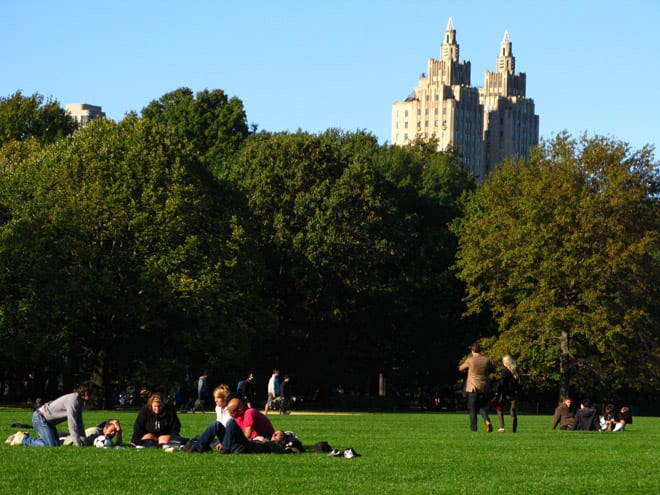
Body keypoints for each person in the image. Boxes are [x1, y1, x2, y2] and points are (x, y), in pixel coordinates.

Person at [8, 382, 92, 447]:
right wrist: (78, 443)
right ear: (86, 394)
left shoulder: (79, 402)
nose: (95, 396)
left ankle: (24, 437)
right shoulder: (73, 400)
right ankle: (23, 439)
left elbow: (79, 423)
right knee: (50, 445)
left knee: (56, 445)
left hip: (48, 422)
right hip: (40, 418)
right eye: (94, 393)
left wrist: (84, 441)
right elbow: (72, 423)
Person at [181, 384, 233, 452]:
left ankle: (197, 447)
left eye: (218, 398)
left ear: (225, 398)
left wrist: (223, 442)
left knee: (215, 424)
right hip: (220, 436)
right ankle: (199, 445)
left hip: (228, 437)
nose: (215, 400)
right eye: (215, 397)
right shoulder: (218, 408)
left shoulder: (231, 409)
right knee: (198, 437)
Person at [458, 343, 495, 432]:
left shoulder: (470, 360)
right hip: (484, 387)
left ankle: (473, 428)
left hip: (473, 387)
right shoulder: (487, 359)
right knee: (482, 406)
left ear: (472, 350)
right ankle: (487, 421)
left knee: (473, 408)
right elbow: (493, 370)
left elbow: (461, 368)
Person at [495, 354, 521, 432]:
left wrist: (497, 392)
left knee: (499, 409)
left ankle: (502, 427)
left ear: (505, 362)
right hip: (514, 393)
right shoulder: (516, 370)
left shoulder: (505, 371)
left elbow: (502, 383)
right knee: (513, 411)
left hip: (505, 393)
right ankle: (514, 429)